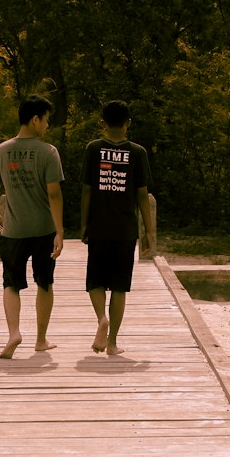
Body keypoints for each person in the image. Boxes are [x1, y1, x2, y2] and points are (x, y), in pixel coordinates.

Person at [0, 95, 65, 359]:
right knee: (45, 283)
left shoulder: (1, 150)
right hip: (43, 230)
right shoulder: (48, 152)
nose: (47, 126)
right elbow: (54, 194)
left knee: (11, 283)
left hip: (13, 231)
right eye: (46, 120)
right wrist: (60, 231)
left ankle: (14, 333)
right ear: (35, 119)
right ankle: (41, 340)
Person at [80, 100, 155, 355]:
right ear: (127, 123)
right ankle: (112, 343)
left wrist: (84, 223)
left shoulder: (93, 149)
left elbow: (87, 191)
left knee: (95, 281)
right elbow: (143, 195)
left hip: (99, 226)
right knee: (120, 286)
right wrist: (149, 231)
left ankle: (101, 318)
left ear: (104, 123)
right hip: (125, 229)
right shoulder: (137, 153)